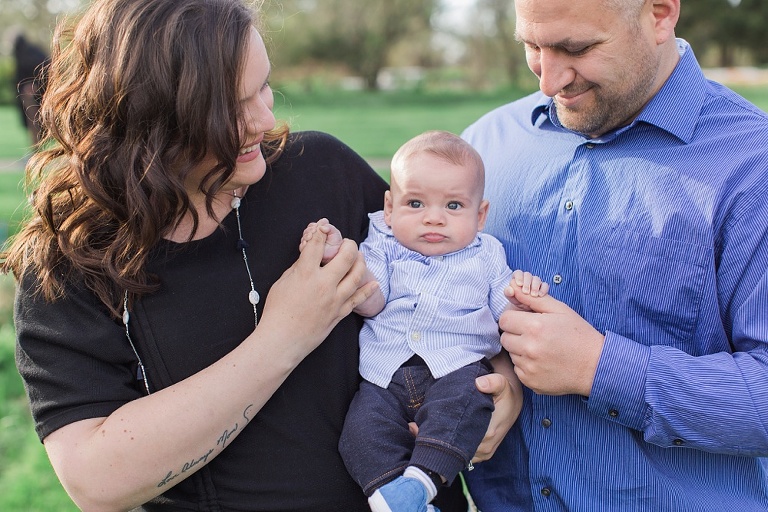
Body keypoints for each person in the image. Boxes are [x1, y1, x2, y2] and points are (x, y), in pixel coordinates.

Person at [0, 1, 519, 510]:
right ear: (150, 114)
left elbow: (455, 274)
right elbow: (96, 481)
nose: (264, 119)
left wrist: (502, 379)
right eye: (230, 106)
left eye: (263, 87)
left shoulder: (323, 171)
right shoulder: (72, 262)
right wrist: (284, 335)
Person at [460, 0, 768, 510]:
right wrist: (499, 369)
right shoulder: (484, 147)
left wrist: (598, 368)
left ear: (661, 14)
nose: (548, 80)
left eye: (576, 48)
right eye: (532, 47)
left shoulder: (753, 166)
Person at [300, 130, 547, 512]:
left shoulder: (487, 255)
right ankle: (390, 497)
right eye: (415, 203)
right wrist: (338, 257)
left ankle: (421, 484)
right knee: (360, 433)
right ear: (390, 207)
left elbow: (507, 316)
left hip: (456, 369)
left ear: (480, 215)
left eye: (453, 206)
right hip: (385, 376)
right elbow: (371, 301)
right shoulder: (380, 244)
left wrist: (524, 298)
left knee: (465, 408)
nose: (434, 218)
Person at [12, 33, 49, 146]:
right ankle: (36, 149)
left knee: (37, 124)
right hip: (33, 94)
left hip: (38, 94)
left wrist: (36, 84)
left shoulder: (29, 54)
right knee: (33, 124)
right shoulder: (30, 51)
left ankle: (37, 149)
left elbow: (46, 68)